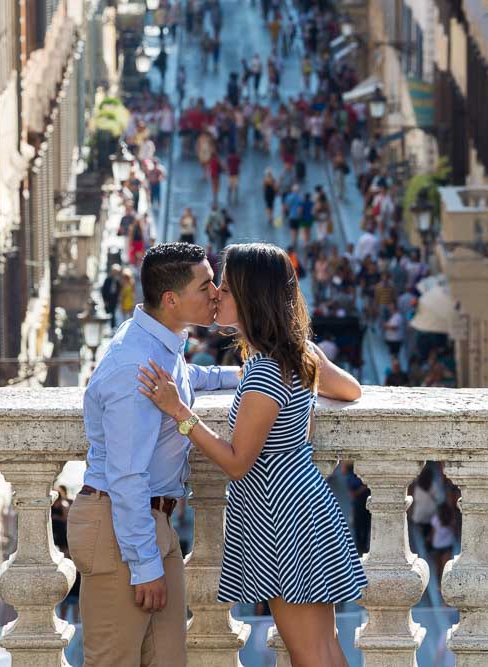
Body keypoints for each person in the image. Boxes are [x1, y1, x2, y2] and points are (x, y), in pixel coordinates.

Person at [136, 243, 366, 666]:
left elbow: (238, 461)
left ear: (249, 294)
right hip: (303, 504)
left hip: (281, 516)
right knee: (323, 648)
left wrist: (180, 413)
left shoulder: (265, 370)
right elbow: (351, 390)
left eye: (225, 285)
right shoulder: (298, 355)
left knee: (310, 653)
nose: (216, 293)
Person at [69, 243, 240, 666]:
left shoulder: (155, 338)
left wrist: (245, 374)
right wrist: (144, 566)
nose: (216, 292)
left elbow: (184, 378)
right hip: (120, 527)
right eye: (206, 286)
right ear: (172, 300)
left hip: (149, 523)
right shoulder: (135, 366)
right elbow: (127, 474)